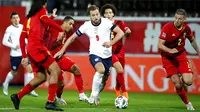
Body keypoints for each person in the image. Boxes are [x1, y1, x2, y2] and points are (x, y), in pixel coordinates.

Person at [54, 5, 124, 106]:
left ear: (99, 14)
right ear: (89, 16)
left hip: (108, 56)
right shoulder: (86, 26)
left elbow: (120, 33)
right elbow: (72, 38)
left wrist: (111, 43)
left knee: (104, 80)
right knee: (101, 70)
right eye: (93, 15)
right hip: (94, 54)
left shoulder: (107, 22)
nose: (96, 17)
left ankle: (97, 94)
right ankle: (92, 95)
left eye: (97, 14)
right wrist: (62, 50)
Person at [10, 0, 64, 111]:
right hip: (38, 48)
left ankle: (18, 96)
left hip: (30, 50)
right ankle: (50, 102)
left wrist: (24, 56)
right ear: (44, 4)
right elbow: (45, 20)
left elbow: (22, 37)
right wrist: (61, 29)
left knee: (41, 77)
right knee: (56, 70)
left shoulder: (28, 19)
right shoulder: (42, 10)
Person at [158, 9, 200, 110]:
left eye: (180, 19)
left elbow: (192, 40)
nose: (177, 20)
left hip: (181, 56)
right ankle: (188, 104)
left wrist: (198, 52)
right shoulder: (167, 27)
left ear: (184, 19)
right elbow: (160, 44)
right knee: (177, 84)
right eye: (176, 18)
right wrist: (170, 50)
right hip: (167, 57)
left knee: (189, 82)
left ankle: (182, 77)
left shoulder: (186, 28)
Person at [43, 15, 89, 104]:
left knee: (76, 69)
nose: (71, 26)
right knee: (60, 84)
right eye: (70, 24)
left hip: (60, 59)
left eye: (72, 25)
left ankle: (81, 95)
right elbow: (45, 25)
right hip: (51, 61)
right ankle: (55, 98)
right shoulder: (53, 29)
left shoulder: (66, 33)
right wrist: (51, 16)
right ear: (64, 22)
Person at [2, 12, 38, 97]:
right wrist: (14, 46)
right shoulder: (9, 29)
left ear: (19, 18)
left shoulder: (22, 27)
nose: (16, 19)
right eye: (14, 18)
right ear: (11, 20)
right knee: (14, 72)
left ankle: (30, 89)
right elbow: (4, 41)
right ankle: (5, 84)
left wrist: (27, 43)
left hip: (24, 53)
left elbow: (27, 37)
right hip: (15, 54)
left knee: (30, 70)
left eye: (17, 17)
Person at [100, 4, 131, 99]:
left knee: (120, 73)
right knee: (117, 71)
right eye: (106, 13)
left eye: (110, 12)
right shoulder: (102, 26)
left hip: (120, 51)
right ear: (103, 15)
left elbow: (127, 34)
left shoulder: (120, 23)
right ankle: (125, 93)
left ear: (113, 14)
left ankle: (117, 90)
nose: (108, 14)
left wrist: (128, 32)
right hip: (109, 53)